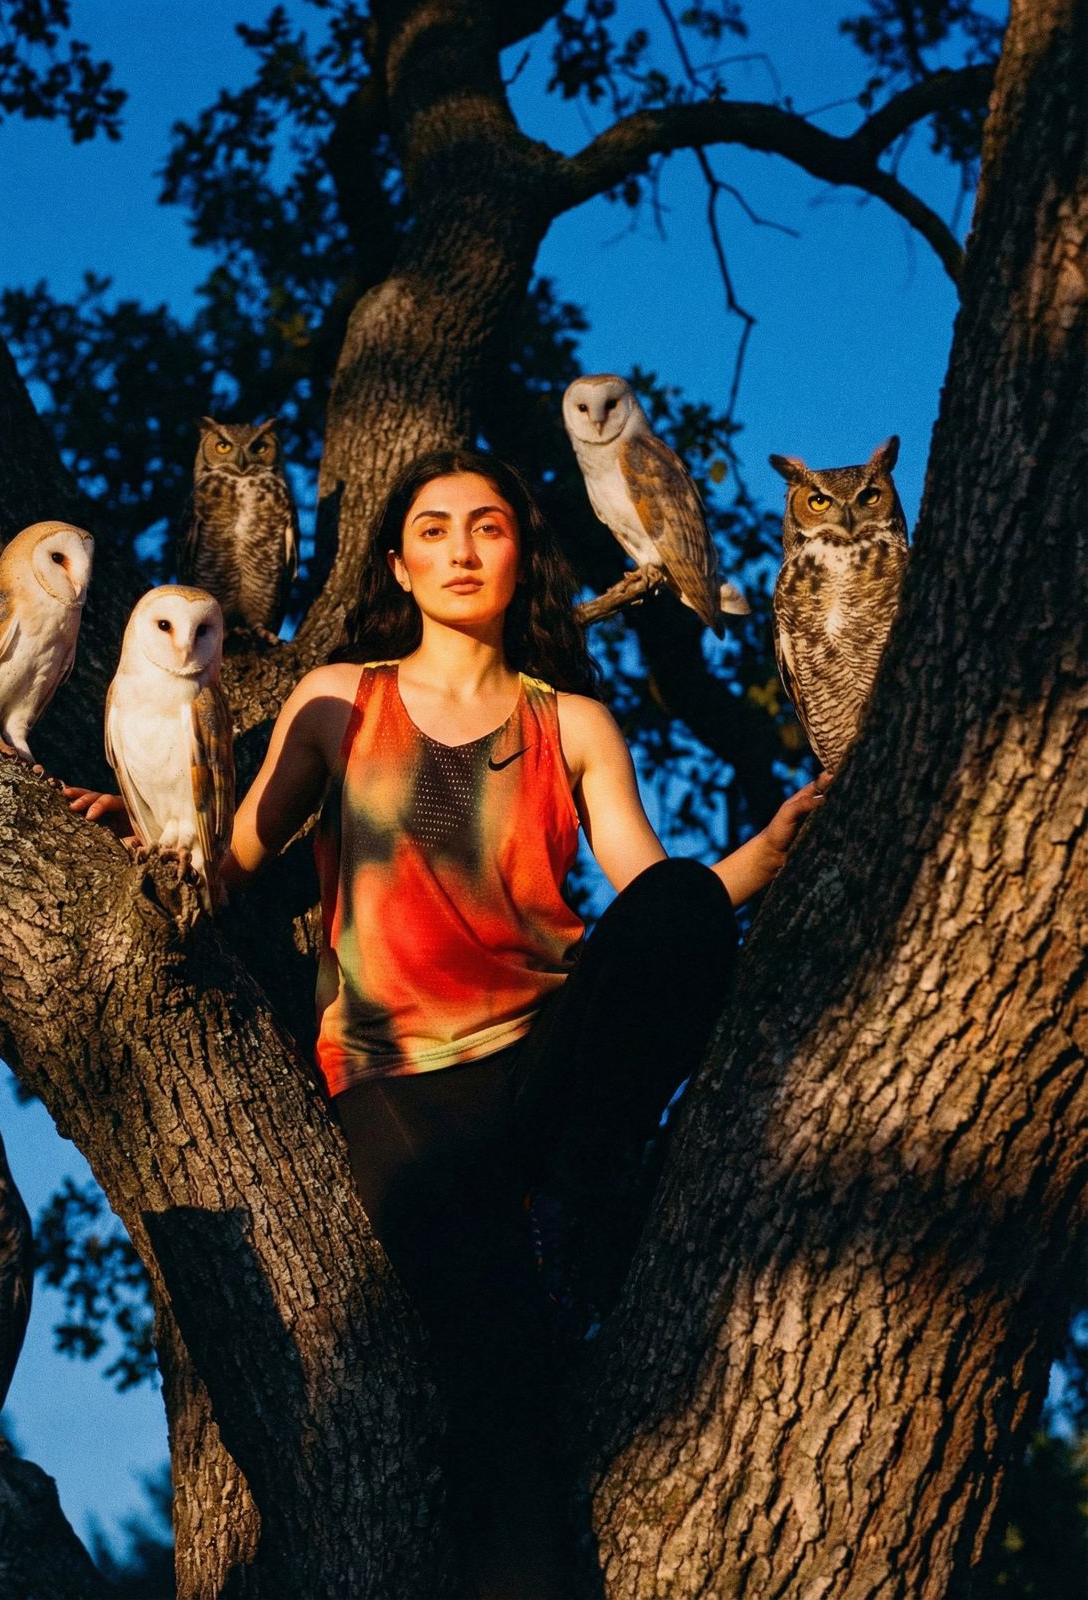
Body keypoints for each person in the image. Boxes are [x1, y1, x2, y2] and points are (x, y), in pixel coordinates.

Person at [67, 447, 825, 1597]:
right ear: (397, 565)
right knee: (501, 1382)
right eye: (433, 530)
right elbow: (226, 863)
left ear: (522, 555)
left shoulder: (571, 721)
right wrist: (132, 822)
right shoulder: (336, 698)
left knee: (675, 909)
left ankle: (585, 1172)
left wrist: (766, 853)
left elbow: (647, 893)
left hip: (545, 1058)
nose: (461, 548)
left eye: (486, 526)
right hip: (397, 1089)